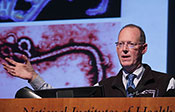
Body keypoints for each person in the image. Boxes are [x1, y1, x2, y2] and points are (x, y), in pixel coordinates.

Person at [2, 24, 175, 97]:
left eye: (130, 44)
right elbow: (64, 103)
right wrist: (33, 77)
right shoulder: (103, 87)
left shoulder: (165, 83)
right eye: (120, 44)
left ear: (143, 48)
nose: (124, 49)